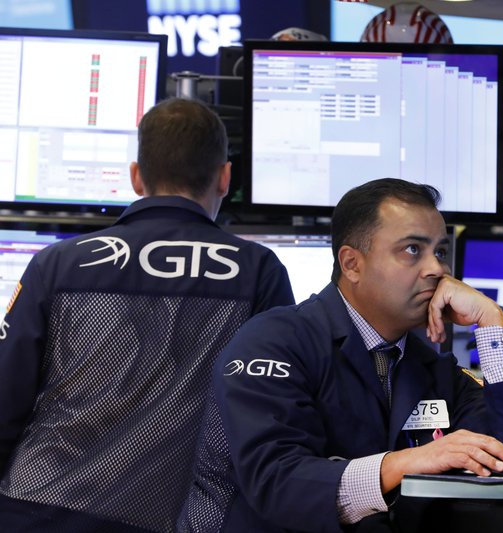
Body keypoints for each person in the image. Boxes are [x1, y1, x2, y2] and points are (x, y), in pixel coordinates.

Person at [0, 97, 295, 532]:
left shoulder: (59, 263)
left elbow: (6, 396)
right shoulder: (258, 272)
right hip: (176, 521)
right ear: (224, 177)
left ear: (136, 177)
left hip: (36, 508)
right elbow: (274, 413)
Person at [179, 178, 503, 532]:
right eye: (413, 250)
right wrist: (407, 462)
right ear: (352, 264)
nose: (437, 269)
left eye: (441, 251)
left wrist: (491, 322)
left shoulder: (433, 369)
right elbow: (278, 483)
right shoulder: (273, 342)